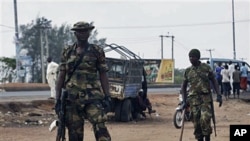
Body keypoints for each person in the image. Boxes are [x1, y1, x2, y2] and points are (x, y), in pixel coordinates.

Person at [55, 21, 111, 141]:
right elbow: (61, 75)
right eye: (79, 31)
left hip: (93, 97)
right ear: (75, 33)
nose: (82, 34)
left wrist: (107, 95)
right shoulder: (67, 51)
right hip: (72, 99)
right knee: (75, 134)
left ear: (89, 33)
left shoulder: (97, 51)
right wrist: (57, 98)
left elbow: (103, 74)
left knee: (100, 126)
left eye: (85, 31)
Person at [181, 49, 222, 141]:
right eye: (190, 57)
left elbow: (214, 81)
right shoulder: (187, 71)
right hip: (193, 101)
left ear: (198, 57)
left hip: (205, 99)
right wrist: (184, 101)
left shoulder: (206, 68)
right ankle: (199, 139)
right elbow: (183, 87)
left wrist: (219, 95)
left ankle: (207, 138)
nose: (191, 59)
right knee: (197, 123)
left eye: (193, 57)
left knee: (205, 119)